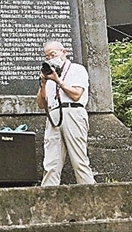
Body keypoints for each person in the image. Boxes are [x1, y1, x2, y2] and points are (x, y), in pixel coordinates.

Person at [35, 40, 96, 186]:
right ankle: (48, 199)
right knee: (50, 163)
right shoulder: (49, 75)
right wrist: (43, 83)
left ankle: (90, 195)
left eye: (53, 54)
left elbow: (76, 94)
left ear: (64, 52)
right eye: (47, 57)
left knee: (79, 160)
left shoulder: (77, 69)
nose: (50, 58)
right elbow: (41, 104)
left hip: (73, 111)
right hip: (54, 115)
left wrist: (58, 81)